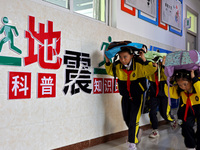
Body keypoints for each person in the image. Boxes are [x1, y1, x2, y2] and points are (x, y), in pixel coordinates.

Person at [104, 41, 157, 150]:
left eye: (125, 57)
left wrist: (144, 59)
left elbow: (152, 69)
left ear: (132, 55)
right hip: (125, 96)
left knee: (133, 120)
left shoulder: (138, 63)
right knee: (127, 119)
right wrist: (107, 60)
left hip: (138, 96)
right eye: (120, 57)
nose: (123, 60)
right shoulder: (118, 65)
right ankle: (137, 133)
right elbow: (110, 72)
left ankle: (132, 144)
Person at [165, 69, 200, 150]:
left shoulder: (197, 83)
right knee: (186, 126)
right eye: (180, 85)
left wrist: (195, 79)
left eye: (185, 84)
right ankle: (191, 147)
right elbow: (170, 94)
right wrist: (170, 83)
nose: (183, 87)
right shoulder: (180, 90)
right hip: (188, 109)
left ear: (191, 81)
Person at [146, 56, 175, 138]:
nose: (154, 64)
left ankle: (172, 120)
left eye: (156, 62)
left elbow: (168, 77)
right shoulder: (151, 71)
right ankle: (155, 130)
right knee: (152, 112)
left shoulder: (164, 69)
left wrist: (163, 66)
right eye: (153, 62)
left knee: (165, 113)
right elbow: (146, 74)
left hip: (164, 94)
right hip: (153, 94)